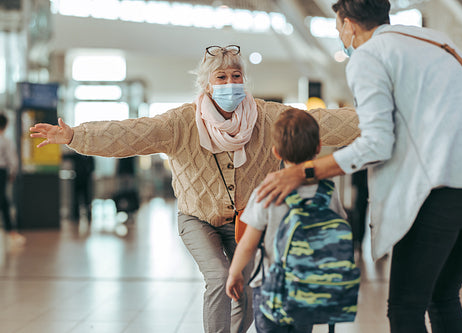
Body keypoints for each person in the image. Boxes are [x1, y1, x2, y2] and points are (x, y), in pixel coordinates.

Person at [30, 45, 360, 333]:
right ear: (205, 85)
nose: (230, 83)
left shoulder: (266, 116)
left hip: (246, 219)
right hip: (197, 218)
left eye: (236, 76)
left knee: (241, 287)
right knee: (219, 277)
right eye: (221, 77)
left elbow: (325, 123)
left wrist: (379, 118)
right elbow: (131, 133)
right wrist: (76, 136)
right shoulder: (181, 122)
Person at [256, 1, 462, 332]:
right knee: (443, 295)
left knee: (405, 307)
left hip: (446, 190)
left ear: (349, 25)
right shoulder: (435, 40)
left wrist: (302, 171)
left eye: (338, 28)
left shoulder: (369, 55)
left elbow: (376, 144)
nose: (340, 35)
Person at [225, 108, 346, 333]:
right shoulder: (329, 191)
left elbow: (248, 243)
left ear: (276, 152)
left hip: (271, 288)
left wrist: (234, 273)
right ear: (319, 147)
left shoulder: (267, 191)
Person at [0, 113, 23, 247]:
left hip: (2, 172)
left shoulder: (6, 140)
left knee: (3, 200)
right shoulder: (6, 141)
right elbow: (13, 161)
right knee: (3, 200)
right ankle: (11, 231)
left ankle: (11, 231)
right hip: (2, 172)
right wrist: (12, 172)